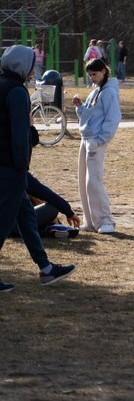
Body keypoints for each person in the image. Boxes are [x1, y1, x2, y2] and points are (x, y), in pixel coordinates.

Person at [0, 45, 76, 290]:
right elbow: (20, 136)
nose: (35, 68)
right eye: (33, 63)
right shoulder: (17, 92)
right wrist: (22, 167)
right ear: (23, 66)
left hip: (6, 165)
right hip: (10, 167)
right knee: (3, 223)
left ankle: (46, 269)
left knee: (26, 219)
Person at [73, 58, 121, 234]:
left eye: (94, 74)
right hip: (86, 138)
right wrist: (79, 107)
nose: (92, 78)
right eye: (90, 75)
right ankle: (91, 221)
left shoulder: (108, 92)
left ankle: (105, 220)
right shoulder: (96, 91)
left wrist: (100, 140)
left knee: (94, 181)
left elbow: (113, 118)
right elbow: (88, 115)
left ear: (103, 71)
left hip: (95, 141)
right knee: (83, 181)